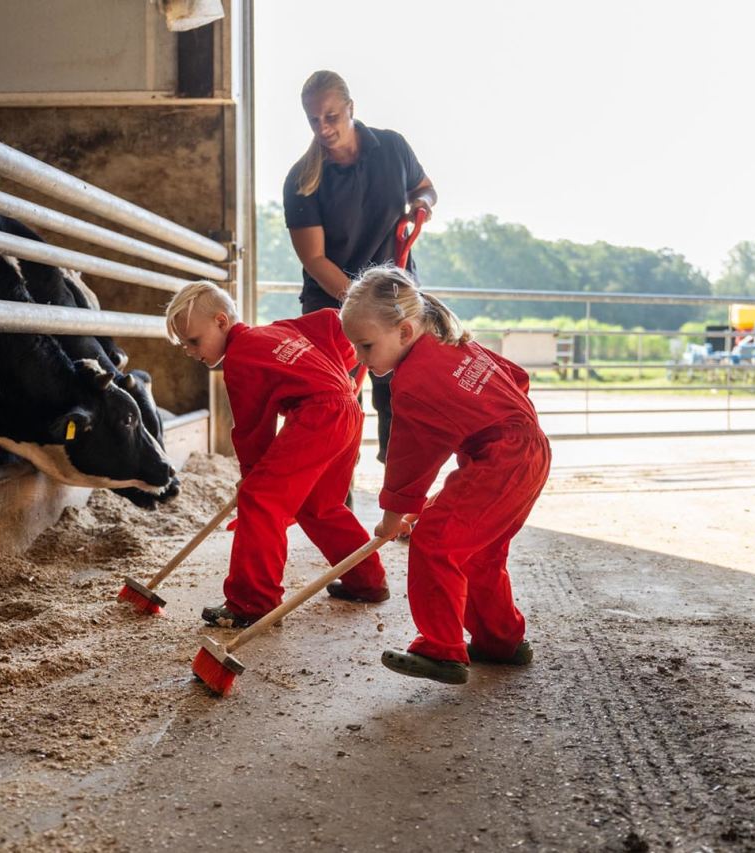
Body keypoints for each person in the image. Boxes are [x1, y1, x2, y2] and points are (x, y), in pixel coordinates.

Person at [339, 265, 551, 685]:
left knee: (435, 541)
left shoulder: (413, 380)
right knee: (479, 552)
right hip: (529, 449)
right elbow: (516, 379)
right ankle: (501, 641)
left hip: (502, 458)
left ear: (403, 332)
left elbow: (410, 455)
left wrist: (395, 512)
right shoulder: (453, 343)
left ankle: (441, 649)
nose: (360, 358)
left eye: (365, 345)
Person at [164, 281, 389, 627]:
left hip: (318, 415)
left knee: (260, 498)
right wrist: (344, 369)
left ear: (221, 321)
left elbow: (253, 428)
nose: (191, 351)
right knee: (321, 507)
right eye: (183, 347)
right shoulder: (279, 331)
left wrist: (251, 477)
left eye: (194, 341)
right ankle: (367, 582)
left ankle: (252, 602)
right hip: (346, 410)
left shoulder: (239, 358)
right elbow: (333, 323)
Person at [284, 69, 437, 463]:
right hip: (332, 303)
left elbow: (424, 187)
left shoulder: (392, 148)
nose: (323, 128)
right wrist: (358, 303)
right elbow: (314, 258)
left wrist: (422, 204)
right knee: (336, 401)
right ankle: (337, 500)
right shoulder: (302, 179)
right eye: (314, 119)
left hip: (395, 296)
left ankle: (397, 499)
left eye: (331, 116)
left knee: (400, 398)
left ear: (350, 109)